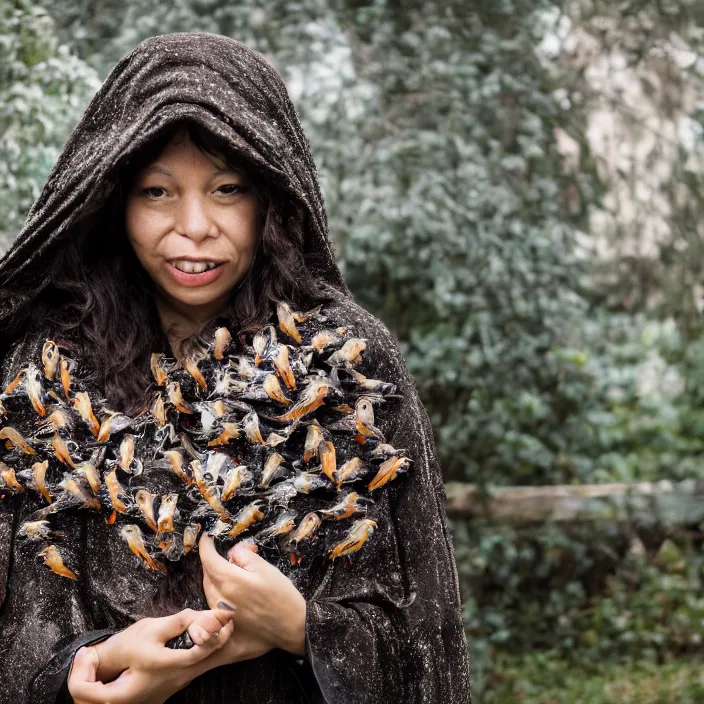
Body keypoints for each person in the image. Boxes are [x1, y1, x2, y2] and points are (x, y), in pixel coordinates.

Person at [0, 32, 471, 703]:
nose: (194, 226)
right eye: (157, 192)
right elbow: (20, 624)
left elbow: (424, 634)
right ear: (112, 202)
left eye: (227, 188)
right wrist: (94, 664)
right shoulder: (45, 373)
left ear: (272, 197)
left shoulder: (348, 365)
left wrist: (301, 628)